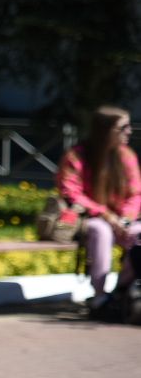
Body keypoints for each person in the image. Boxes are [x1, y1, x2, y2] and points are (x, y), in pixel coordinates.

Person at [57, 105, 140, 312]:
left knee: (137, 233)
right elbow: (71, 192)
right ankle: (100, 295)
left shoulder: (126, 156)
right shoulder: (77, 156)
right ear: (105, 130)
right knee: (101, 231)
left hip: (122, 220)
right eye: (123, 127)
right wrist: (105, 215)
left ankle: (122, 288)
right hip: (89, 218)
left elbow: (135, 193)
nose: (129, 131)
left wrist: (126, 220)